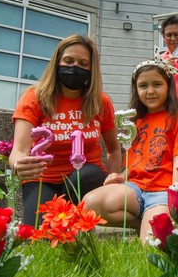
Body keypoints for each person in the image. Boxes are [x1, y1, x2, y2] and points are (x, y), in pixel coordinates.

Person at [9, 34, 122, 226]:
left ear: (91, 69)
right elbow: (18, 150)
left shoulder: (101, 102)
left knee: (85, 175)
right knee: (37, 238)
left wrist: (112, 178)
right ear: (57, 63)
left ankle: (78, 228)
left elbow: (114, 148)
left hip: (86, 178)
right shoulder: (34, 97)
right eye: (68, 61)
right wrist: (18, 165)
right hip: (42, 178)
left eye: (83, 63)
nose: (74, 67)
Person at [83, 56, 178, 243]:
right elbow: (134, 164)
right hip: (134, 189)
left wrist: (176, 195)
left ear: (169, 87)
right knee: (89, 204)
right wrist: (120, 177)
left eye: (157, 84)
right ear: (136, 89)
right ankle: (140, 222)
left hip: (163, 191)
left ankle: (153, 220)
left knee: (153, 244)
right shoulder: (135, 122)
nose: (150, 91)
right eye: (143, 86)